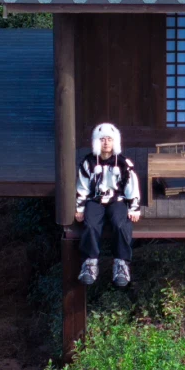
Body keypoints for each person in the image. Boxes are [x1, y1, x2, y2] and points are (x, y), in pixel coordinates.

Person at [75, 122, 141, 288]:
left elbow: (131, 186)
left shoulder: (124, 163)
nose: (106, 143)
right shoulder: (88, 162)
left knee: (120, 224)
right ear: (97, 141)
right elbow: (82, 187)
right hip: (95, 200)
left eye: (109, 139)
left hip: (116, 200)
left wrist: (134, 208)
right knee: (90, 224)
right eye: (102, 139)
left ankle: (121, 265)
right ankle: (90, 264)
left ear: (115, 142)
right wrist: (80, 208)